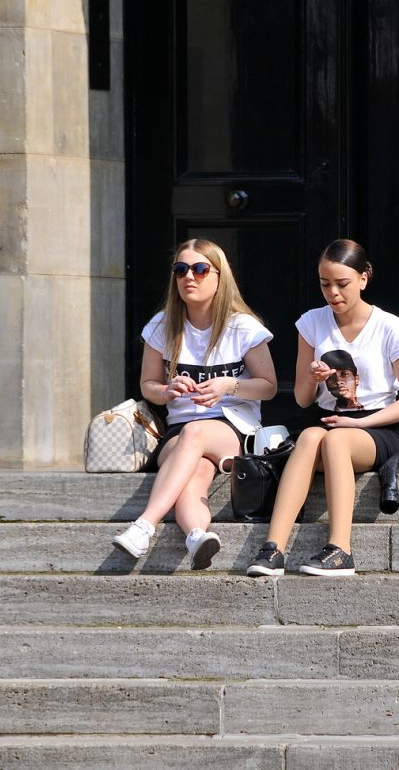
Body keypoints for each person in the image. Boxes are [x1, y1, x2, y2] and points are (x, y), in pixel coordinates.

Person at [246, 239, 399, 577]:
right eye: (324, 284)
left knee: (335, 439)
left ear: (363, 277)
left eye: (342, 283)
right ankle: (273, 549)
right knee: (311, 438)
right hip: (326, 423)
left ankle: (341, 549)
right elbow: (301, 399)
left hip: (376, 428)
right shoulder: (311, 323)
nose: (333, 293)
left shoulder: (390, 327)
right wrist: (312, 378)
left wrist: (360, 423)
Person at [112, 239, 277, 569]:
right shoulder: (162, 326)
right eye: (181, 269)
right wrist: (168, 390)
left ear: (219, 276)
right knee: (196, 471)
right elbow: (148, 387)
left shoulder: (242, 327)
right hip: (179, 430)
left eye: (201, 269)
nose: (190, 276)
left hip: (232, 427)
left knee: (195, 435)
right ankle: (197, 535)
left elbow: (269, 387)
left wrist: (230, 384)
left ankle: (144, 524)